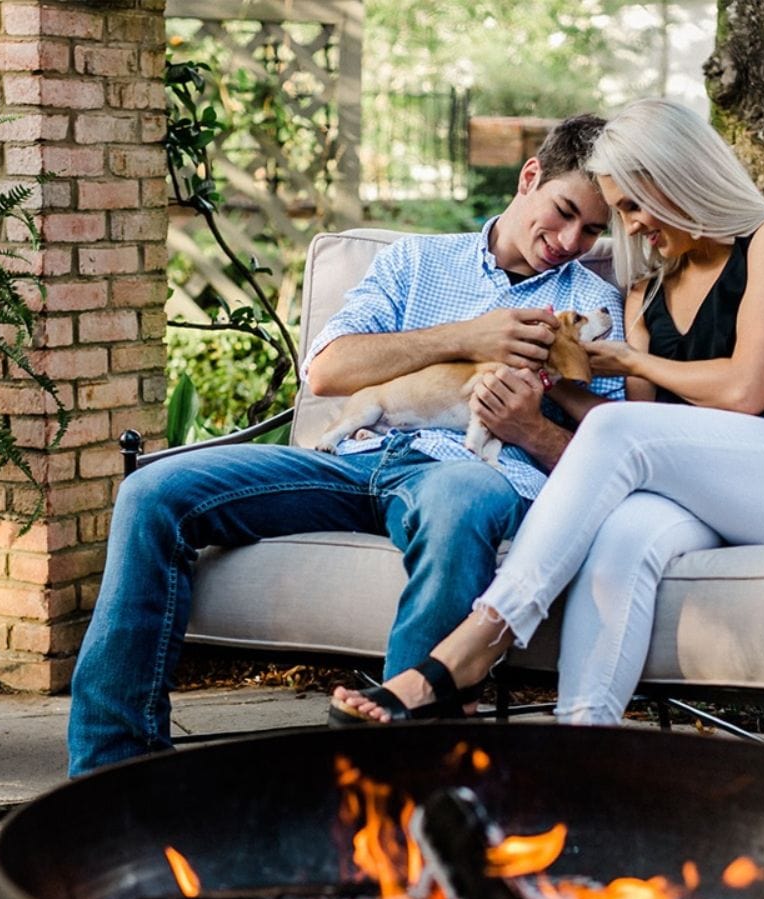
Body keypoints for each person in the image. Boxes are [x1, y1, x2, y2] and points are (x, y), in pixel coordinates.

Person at [67, 113, 625, 775]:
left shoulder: (595, 304)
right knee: (152, 491)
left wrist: (532, 421)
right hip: (348, 461)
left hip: (462, 473)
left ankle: (392, 787)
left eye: (591, 230)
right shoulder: (417, 262)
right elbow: (329, 370)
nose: (570, 241)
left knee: (465, 498)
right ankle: (113, 773)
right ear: (529, 177)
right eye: (563, 213)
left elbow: (608, 452)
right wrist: (464, 337)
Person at [329, 97, 764, 727]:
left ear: (675, 177)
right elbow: (640, 423)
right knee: (622, 542)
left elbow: (746, 390)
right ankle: (581, 751)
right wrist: (544, 378)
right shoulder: (647, 288)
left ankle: (479, 640)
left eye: (632, 205)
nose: (629, 228)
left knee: (614, 433)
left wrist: (632, 362)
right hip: (697, 493)